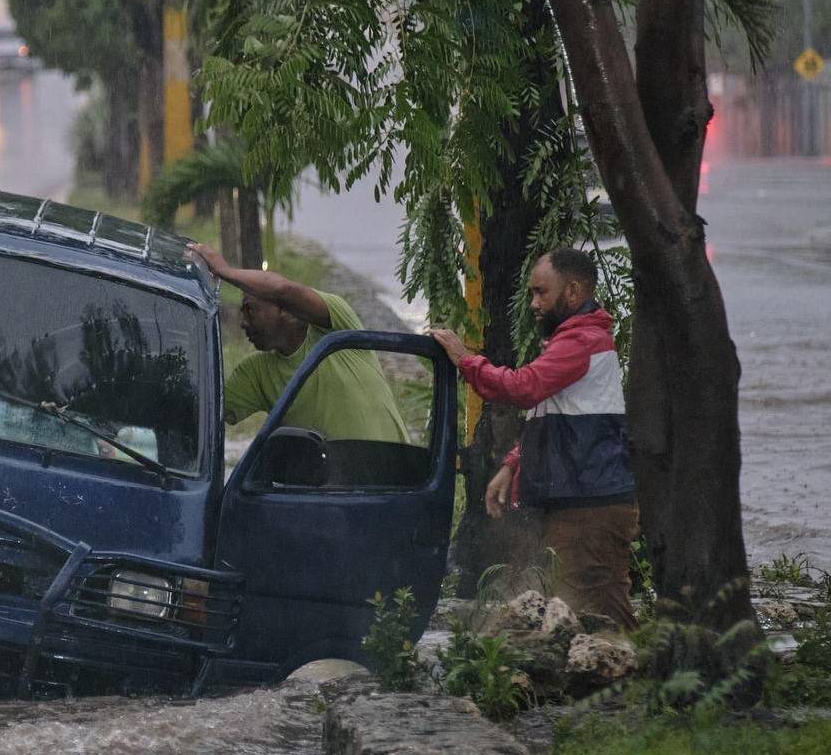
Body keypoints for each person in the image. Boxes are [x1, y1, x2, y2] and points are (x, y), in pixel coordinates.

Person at [429, 247, 638, 630]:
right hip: (581, 503)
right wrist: (512, 464)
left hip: (589, 508)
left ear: (573, 292)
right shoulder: (572, 341)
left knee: (601, 618)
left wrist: (464, 358)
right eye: (531, 293)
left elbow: (523, 388)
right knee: (586, 615)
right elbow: (553, 416)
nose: (533, 303)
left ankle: (636, 683)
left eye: (541, 292)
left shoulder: (581, 343)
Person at [188, 242, 410, 444]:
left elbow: (283, 291)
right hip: (333, 486)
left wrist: (225, 271)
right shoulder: (257, 373)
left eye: (250, 310)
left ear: (285, 310)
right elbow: (204, 413)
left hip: (395, 478)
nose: (243, 323)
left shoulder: (337, 325)